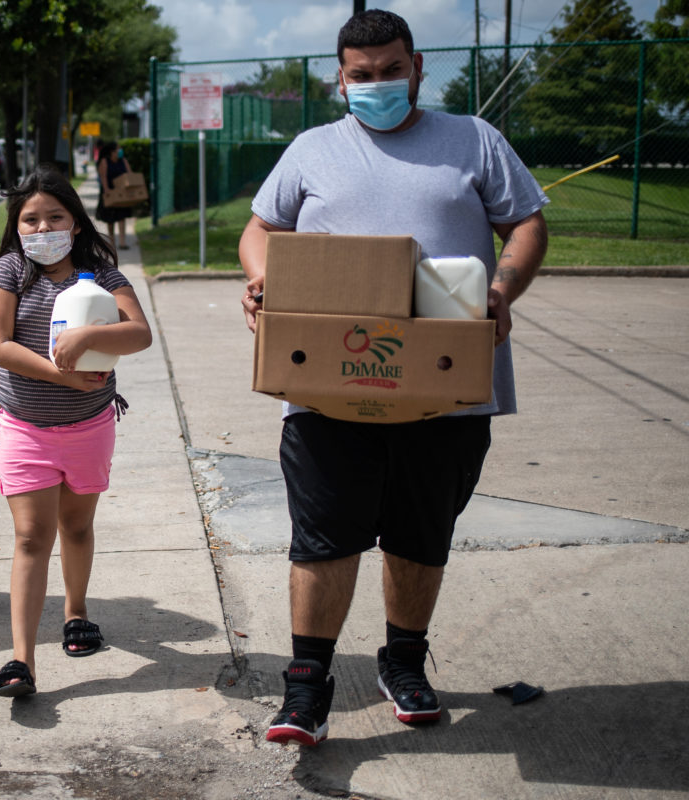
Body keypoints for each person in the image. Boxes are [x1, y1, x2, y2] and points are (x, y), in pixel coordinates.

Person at [237, 10, 548, 746]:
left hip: (445, 389)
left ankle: (403, 660)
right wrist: (260, 279)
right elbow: (260, 229)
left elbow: (527, 223)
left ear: (416, 67)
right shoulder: (312, 149)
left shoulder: (474, 139)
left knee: (420, 533)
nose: (377, 84)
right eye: (361, 74)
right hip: (325, 383)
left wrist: (500, 290)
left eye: (390, 69)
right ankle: (307, 686)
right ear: (340, 79)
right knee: (323, 538)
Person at [0, 165, 153, 696]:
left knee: (76, 528)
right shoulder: (8, 271)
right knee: (32, 536)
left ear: (75, 223)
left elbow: (139, 332)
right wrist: (61, 372)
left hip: (90, 423)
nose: (42, 228)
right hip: (25, 425)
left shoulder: (101, 272)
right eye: (30, 219)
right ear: (17, 226)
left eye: (55, 217)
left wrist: (88, 337)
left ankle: (76, 613)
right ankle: (22, 662)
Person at [93, 141, 134, 250]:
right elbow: (103, 177)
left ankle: (122, 242)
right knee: (110, 218)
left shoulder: (123, 161)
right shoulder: (104, 162)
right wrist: (107, 190)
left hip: (122, 192)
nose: (120, 151)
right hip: (110, 192)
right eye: (118, 149)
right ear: (112, 152)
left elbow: (129, 174)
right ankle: (112, 242)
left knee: (122, 217)